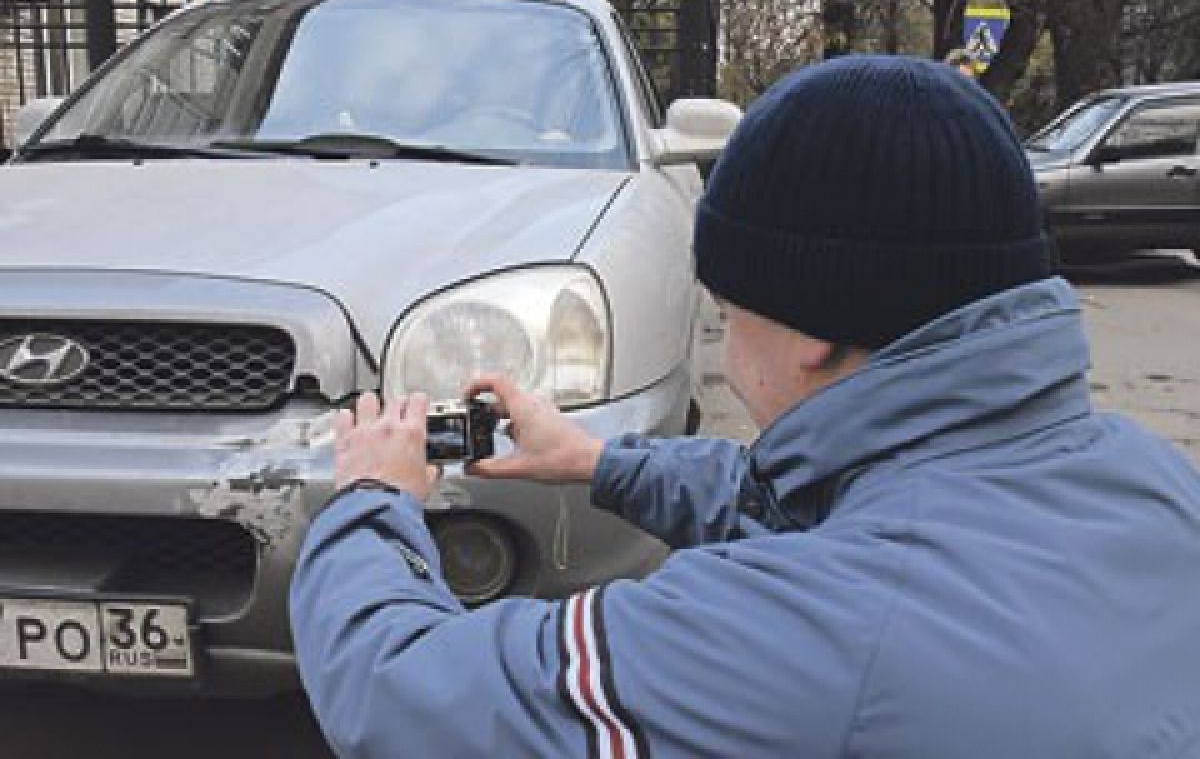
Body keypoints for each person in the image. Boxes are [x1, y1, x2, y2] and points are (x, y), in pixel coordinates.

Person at [290, 56, 1200, 758]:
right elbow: (859, 505)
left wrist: (374, 499)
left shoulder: (789, 633)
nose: (725, 352)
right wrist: (598, 463)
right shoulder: (1151, 483)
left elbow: (398, 695)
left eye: (727, 317)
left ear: (811, 330)